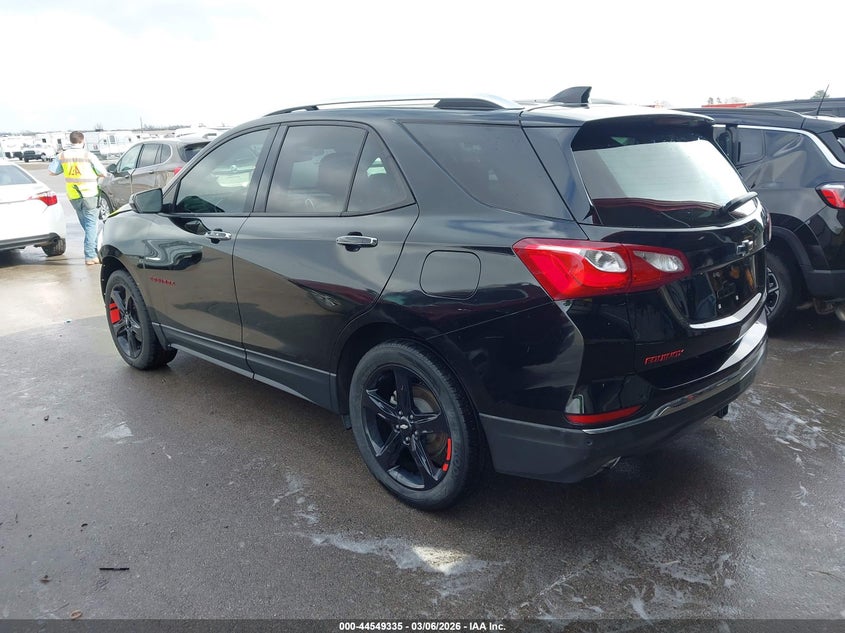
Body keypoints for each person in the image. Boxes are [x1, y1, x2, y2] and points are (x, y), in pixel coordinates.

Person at [48, 131, 108, 265]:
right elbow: (103, 172)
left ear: (71, 141)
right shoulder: (88, 155)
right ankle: (90, 255)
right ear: (83, 141)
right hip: (89, 194)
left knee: (87, 226)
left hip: (74, 196)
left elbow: (51, 171)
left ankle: (93, 252)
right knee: (91, 226)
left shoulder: (62, 155)